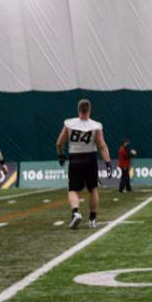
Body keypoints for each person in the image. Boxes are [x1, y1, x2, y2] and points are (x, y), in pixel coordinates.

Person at [56, 98, 112, 229]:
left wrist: (60, 155)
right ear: (89, 110)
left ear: (78, 110)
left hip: (75, 158)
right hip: (90, 158)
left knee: (73, 189)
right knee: (93, 189)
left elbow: (59, 143)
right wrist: (108, 164)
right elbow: (102, 146)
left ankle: (75, 212)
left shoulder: (70, 123)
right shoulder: (96, 125)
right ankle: (92, 219)